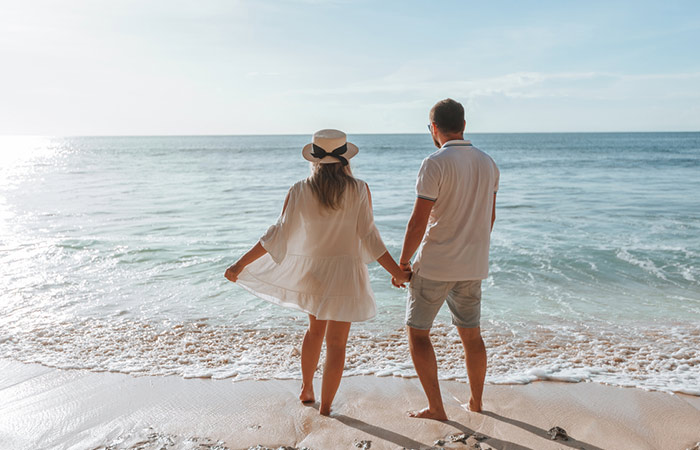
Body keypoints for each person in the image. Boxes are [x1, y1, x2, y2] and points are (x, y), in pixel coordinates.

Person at [225, 129, 411, 416]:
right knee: (337, 345)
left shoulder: (299, 189)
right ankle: (325, 408)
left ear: (314, 159)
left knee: (314, 332)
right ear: (344, 158)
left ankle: (306, 388)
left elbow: (276, 235)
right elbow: (370, 238)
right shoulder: (359, 188)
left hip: (314, 273)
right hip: (347, 275)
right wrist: (397, 272)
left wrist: (241, 264)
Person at [395, 99, 499, 420]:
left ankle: (437, 408)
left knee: (418, 333)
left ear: (435, 128)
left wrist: (402, 264)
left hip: (437, 264)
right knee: (472, 335)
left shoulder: (434, 162)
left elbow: (418, 222)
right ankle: (476, 402)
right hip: (472, 263)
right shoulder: (489, 163)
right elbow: (489, 218)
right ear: (464, 125)